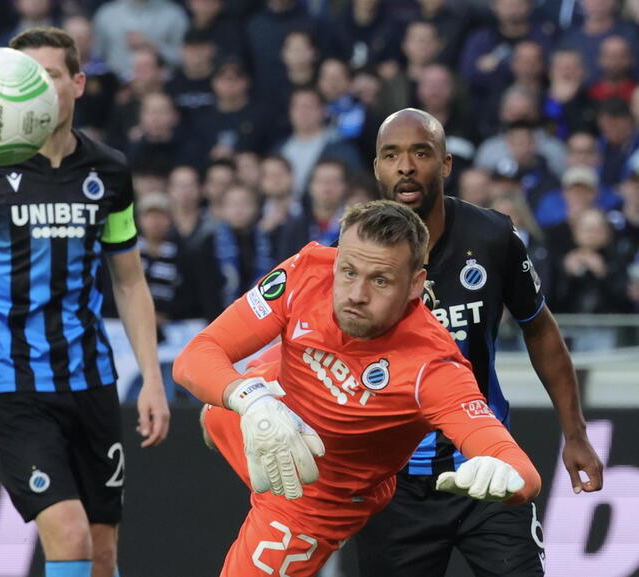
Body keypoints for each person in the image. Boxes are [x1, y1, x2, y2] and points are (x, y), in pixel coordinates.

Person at [0, 27, 170, 577]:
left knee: (101, 551)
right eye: (25, 79)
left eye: (48, 77)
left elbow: (129, 281)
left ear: (77, 83)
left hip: (92, 379)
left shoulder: (109, 172)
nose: (37, 91)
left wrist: (152, 378)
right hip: (14, 382)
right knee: (67, 536)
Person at [173, 199, 543, 577]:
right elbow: (194, 357)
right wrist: (248, 401)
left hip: (315, 494)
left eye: (380, 280)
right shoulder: (306, 270)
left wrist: (506, 481)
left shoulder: (432, 367)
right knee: (225, 388)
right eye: (348, 271)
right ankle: (219, 413)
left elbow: (521, 471)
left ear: (416, 283)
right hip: (268, 406)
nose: (355, 294)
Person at [350, 108, 603, 576]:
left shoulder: (491, 236)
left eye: (420, 153)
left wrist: (575, 434)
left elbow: (540, 327)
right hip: (392, 485)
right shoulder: (352, 253)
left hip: (488, 468)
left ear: (445, 165)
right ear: (377, 169)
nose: (406, 166)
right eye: (391, 155)